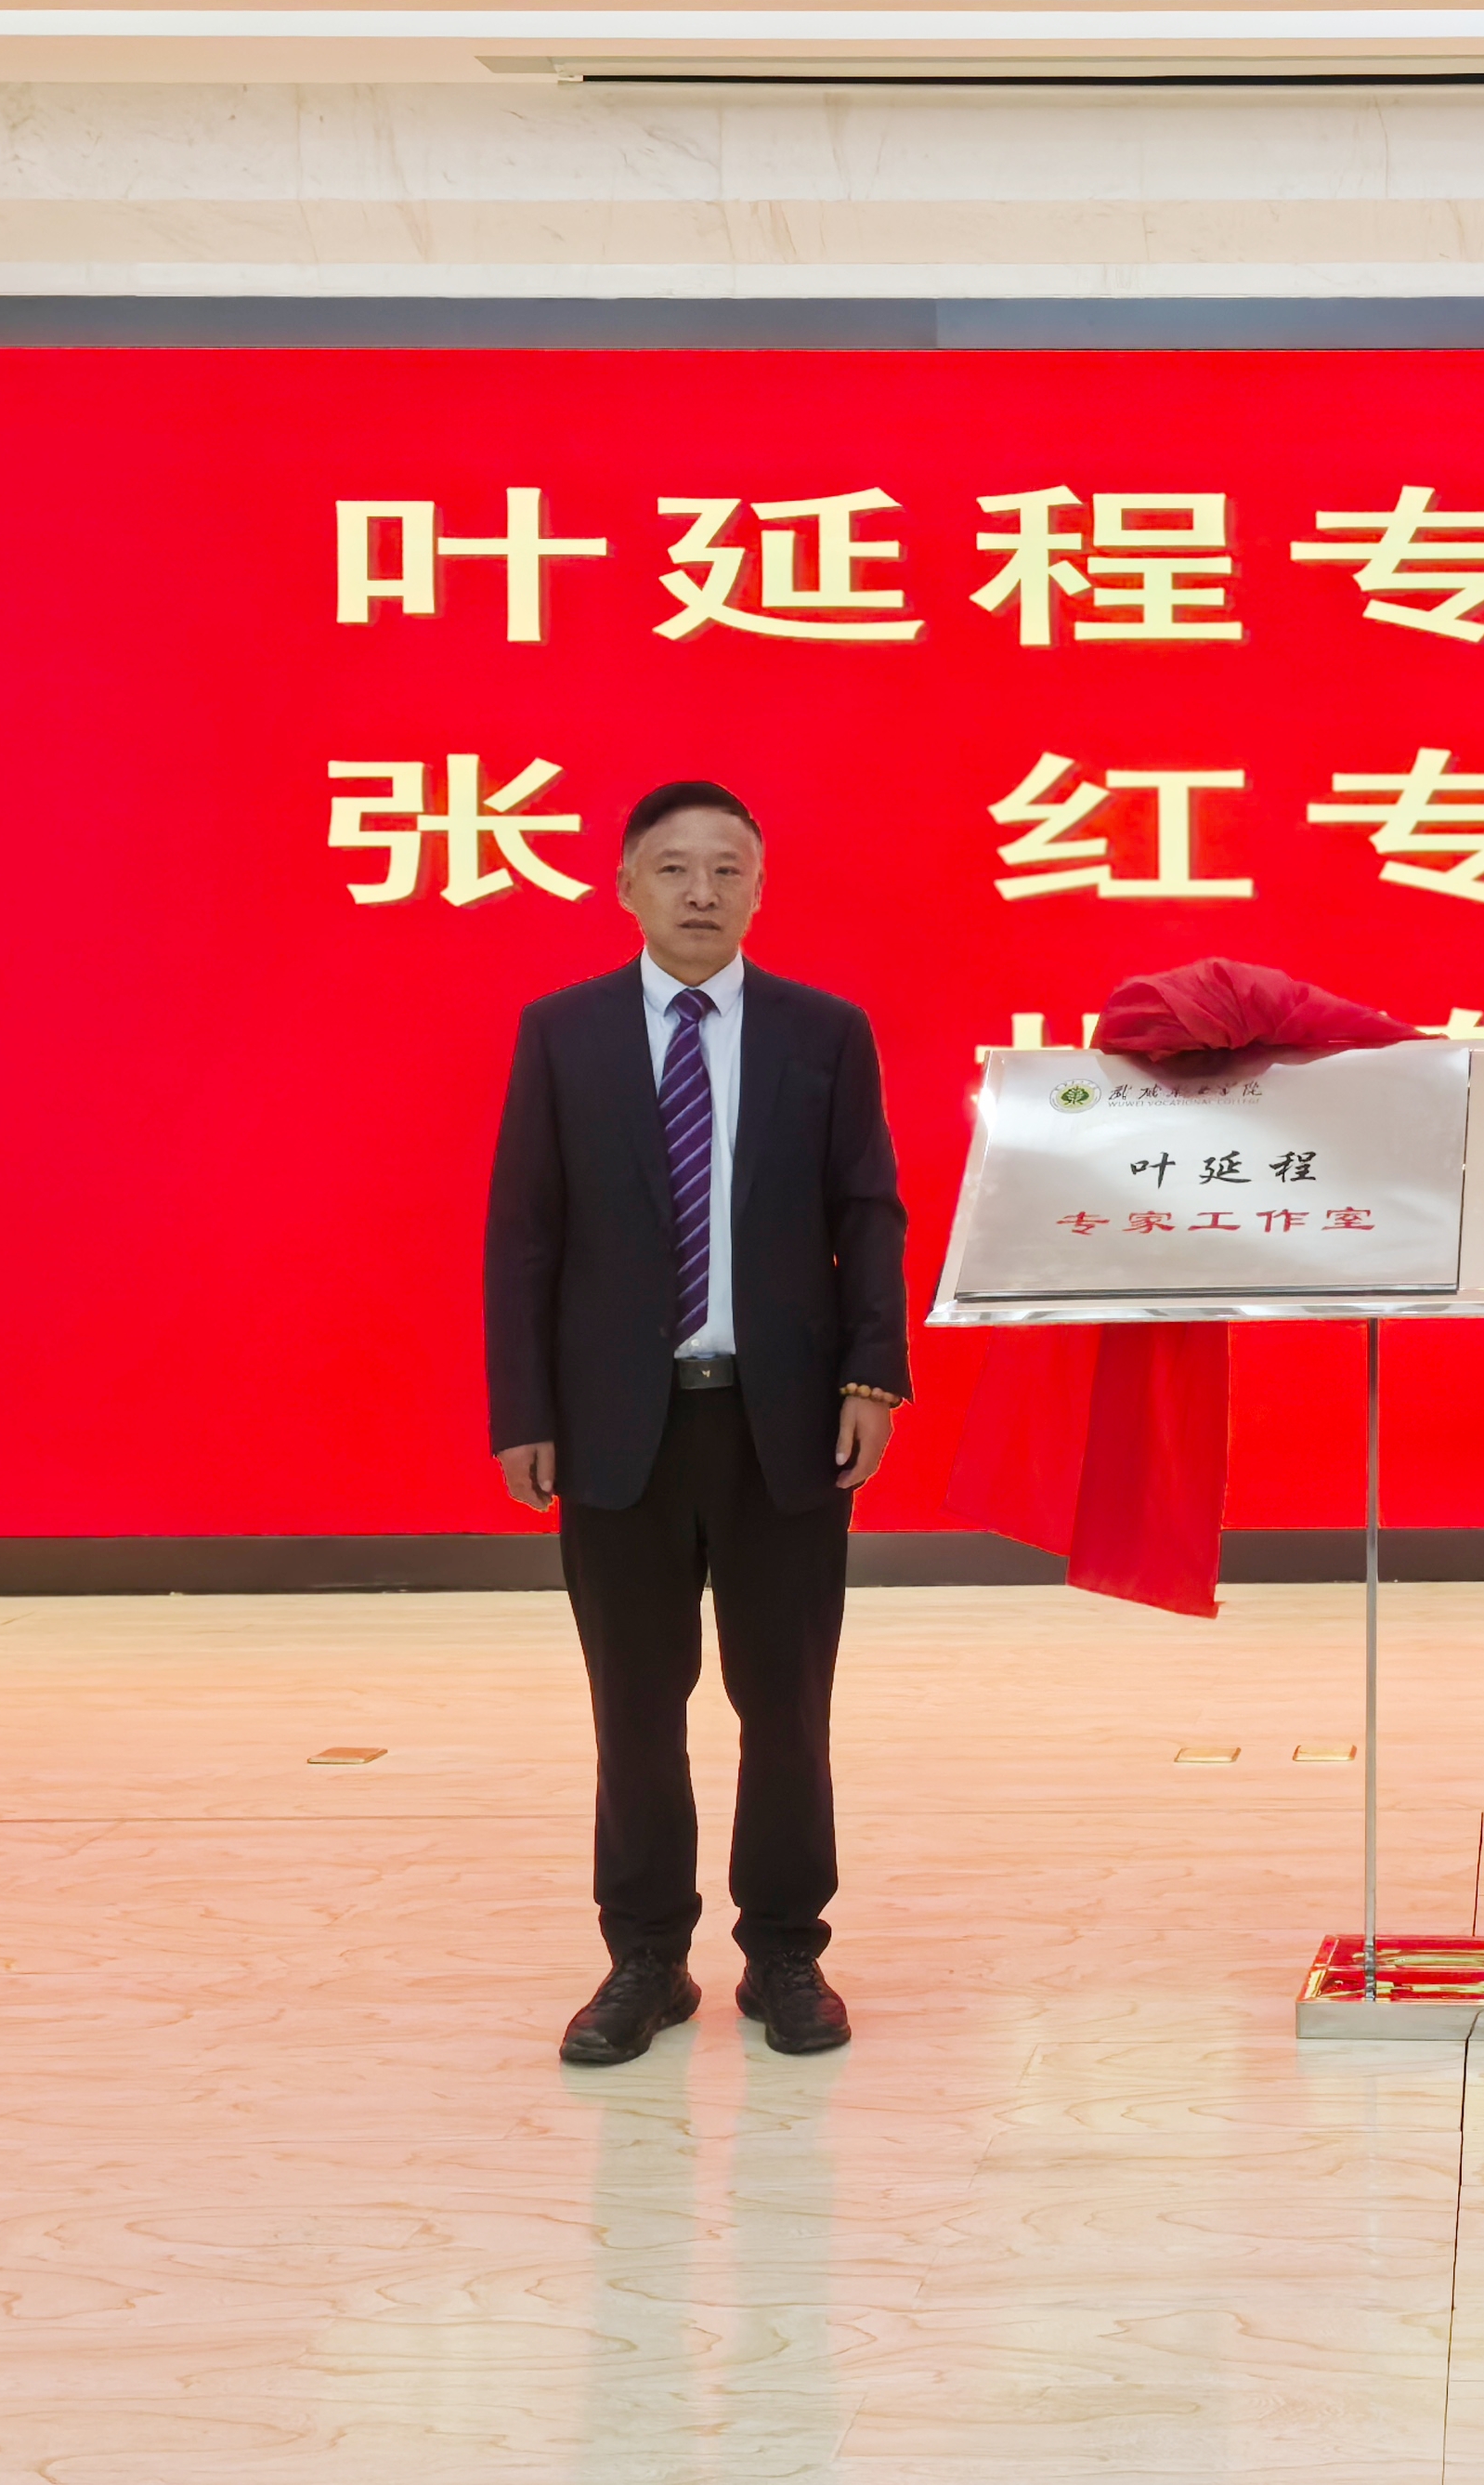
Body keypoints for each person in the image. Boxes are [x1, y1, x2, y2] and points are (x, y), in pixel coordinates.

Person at [485, 780, 911, 2066]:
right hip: (619, 1425)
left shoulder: (823, 1032)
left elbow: (867, 1213)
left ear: (760, 889)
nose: (701, 892)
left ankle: (784, 1951)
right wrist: (524, 1410)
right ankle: (646, 1957)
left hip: (784, 1424)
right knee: (634, 1702)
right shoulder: (562, 1033)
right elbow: (524, 1233)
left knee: (785, 1702)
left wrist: (873, 1376)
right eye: (674, 868)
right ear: (625, 886)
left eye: (728, 869)